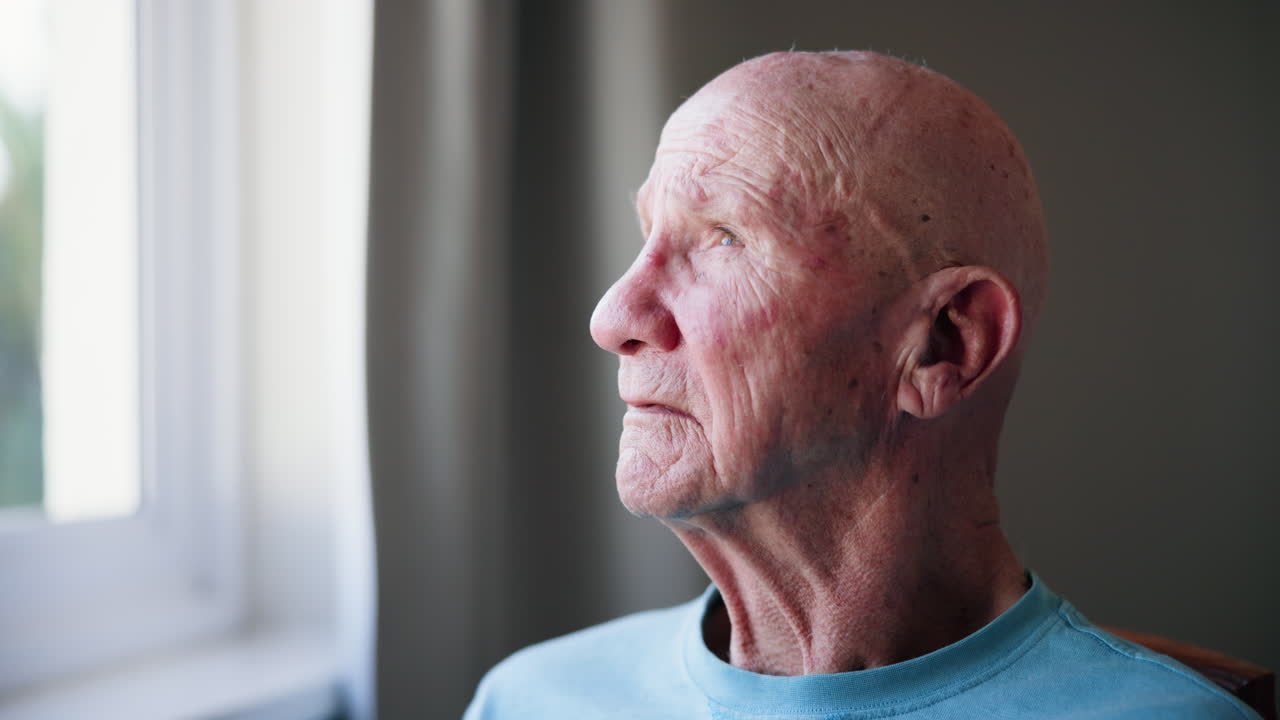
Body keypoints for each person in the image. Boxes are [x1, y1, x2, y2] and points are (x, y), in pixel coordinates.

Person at [464, 51, 1259, 719]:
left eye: (724, 238)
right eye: (648, 235)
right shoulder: (530, 700)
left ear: (945, 345)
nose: (613, 317)